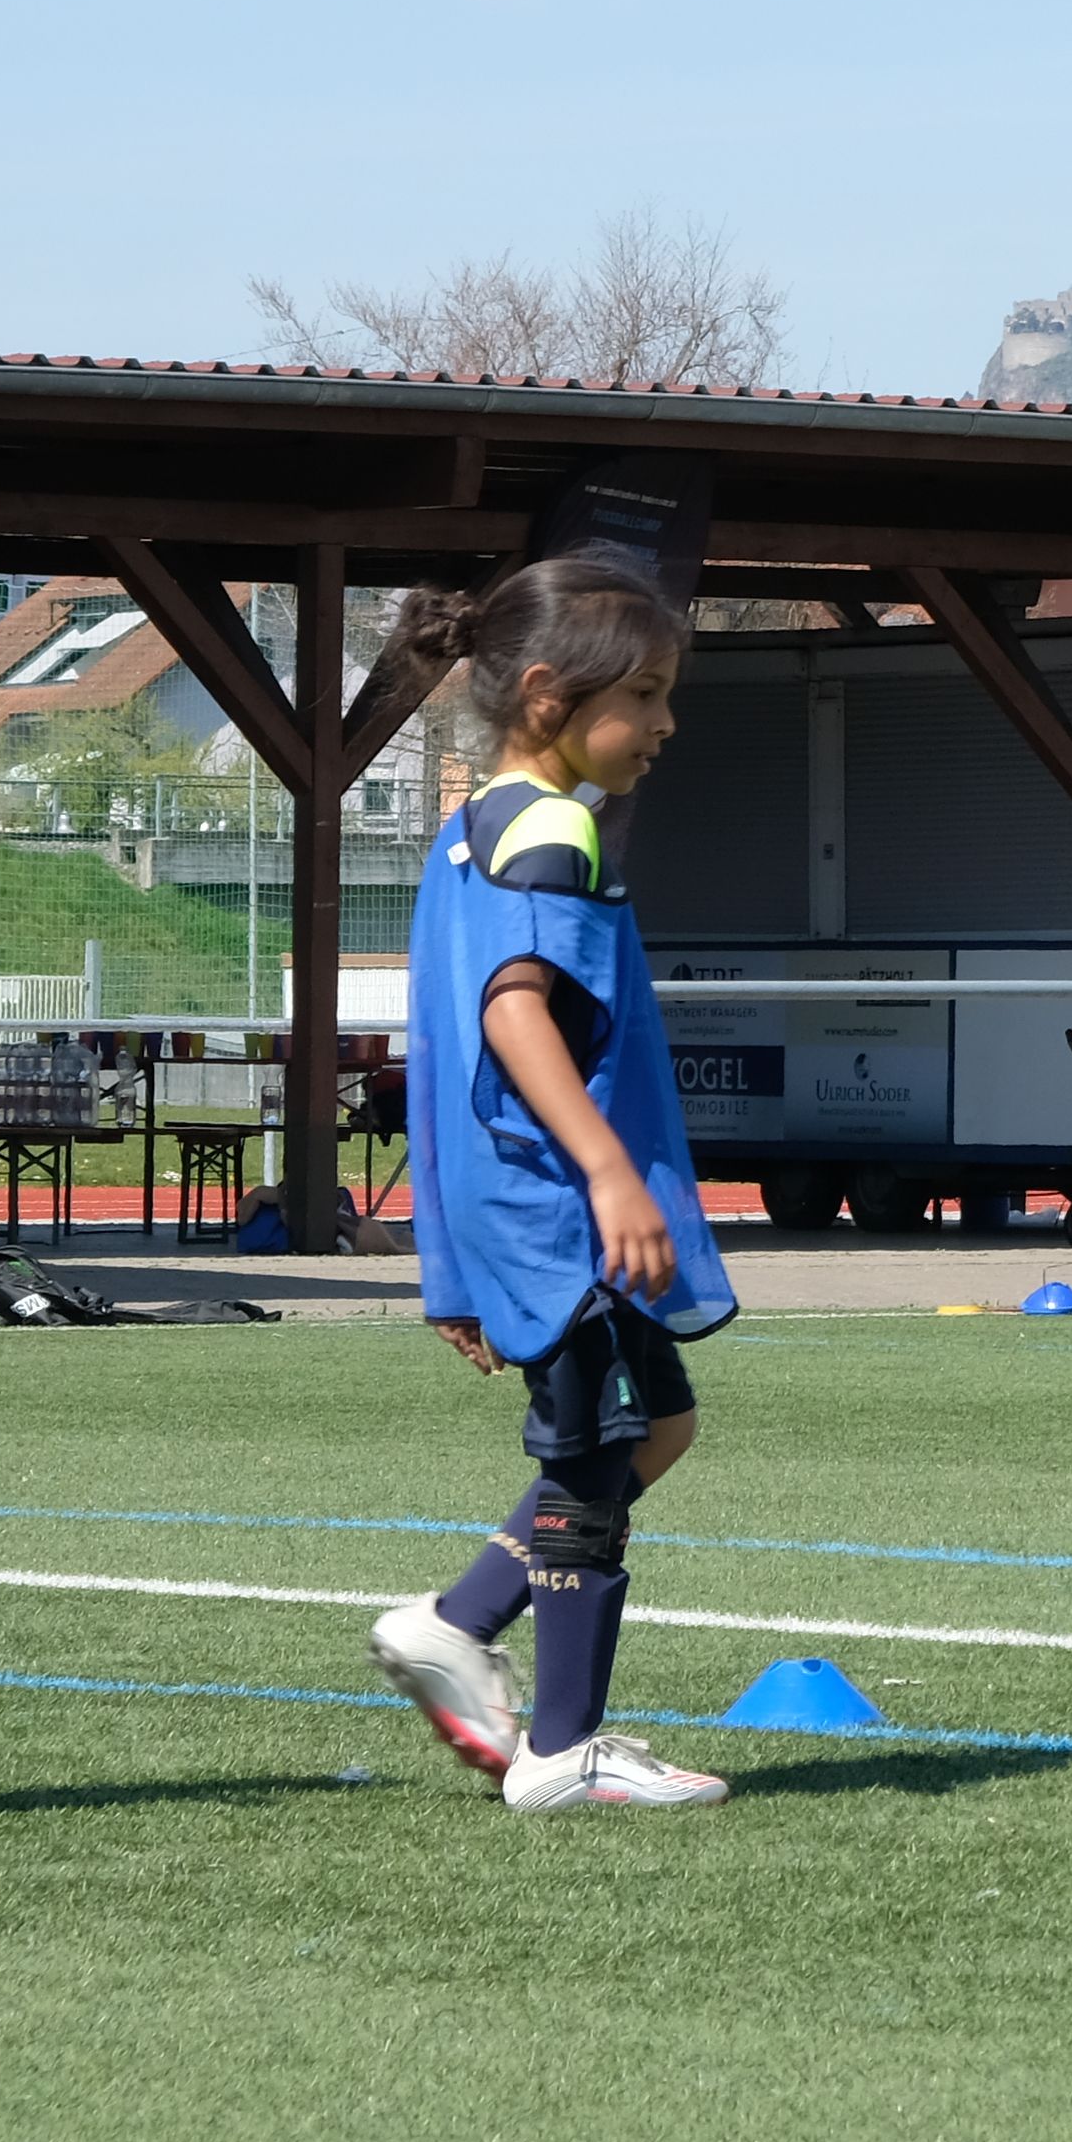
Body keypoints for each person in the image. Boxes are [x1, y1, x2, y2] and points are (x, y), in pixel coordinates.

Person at [362, 554, 743, 1810]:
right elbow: (511, 1013)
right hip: (559, 1202)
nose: (667, 722)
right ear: (544, 693)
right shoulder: (553, 829)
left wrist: (453, 1264)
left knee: (659, 1425)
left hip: (510, 1201)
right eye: (645, 692)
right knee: (594, 1457)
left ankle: (457, 1620)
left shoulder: (468, 831)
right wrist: (610, 1172)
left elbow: (440, 1050)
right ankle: (562, 1749)